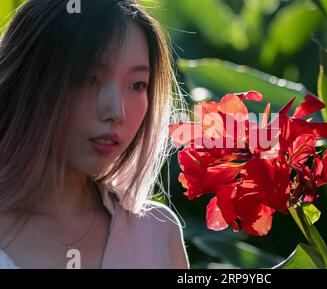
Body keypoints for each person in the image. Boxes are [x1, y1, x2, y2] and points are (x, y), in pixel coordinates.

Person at [0, 0, 190, 269]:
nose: (116, 112)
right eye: (88, 78)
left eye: (137, 85)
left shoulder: (156, 232)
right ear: (29, 82)